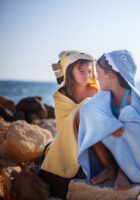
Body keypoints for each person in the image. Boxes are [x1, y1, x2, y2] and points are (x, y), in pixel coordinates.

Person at [77, 50, 140, 191]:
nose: (96, 80)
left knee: (127, 116)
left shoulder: (132, 99)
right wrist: (110, 124)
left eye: (98, 75)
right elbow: (88, 111)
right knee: (92, 118)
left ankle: (124, 172)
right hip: (115, 150)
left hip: (135, 152)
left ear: (110, 75)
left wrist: (122, 124)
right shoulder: (106, 95)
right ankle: (109, 168)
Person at [38, 50, 99, 198]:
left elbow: (101, 117)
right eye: (81, 71)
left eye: (89, 71)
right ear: (70, 72)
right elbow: (63, 123)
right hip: (70, 135)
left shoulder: (94, 91)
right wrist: (83, 107)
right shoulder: (61, 96)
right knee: (85, 106)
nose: (87, 75)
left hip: (92, 135)